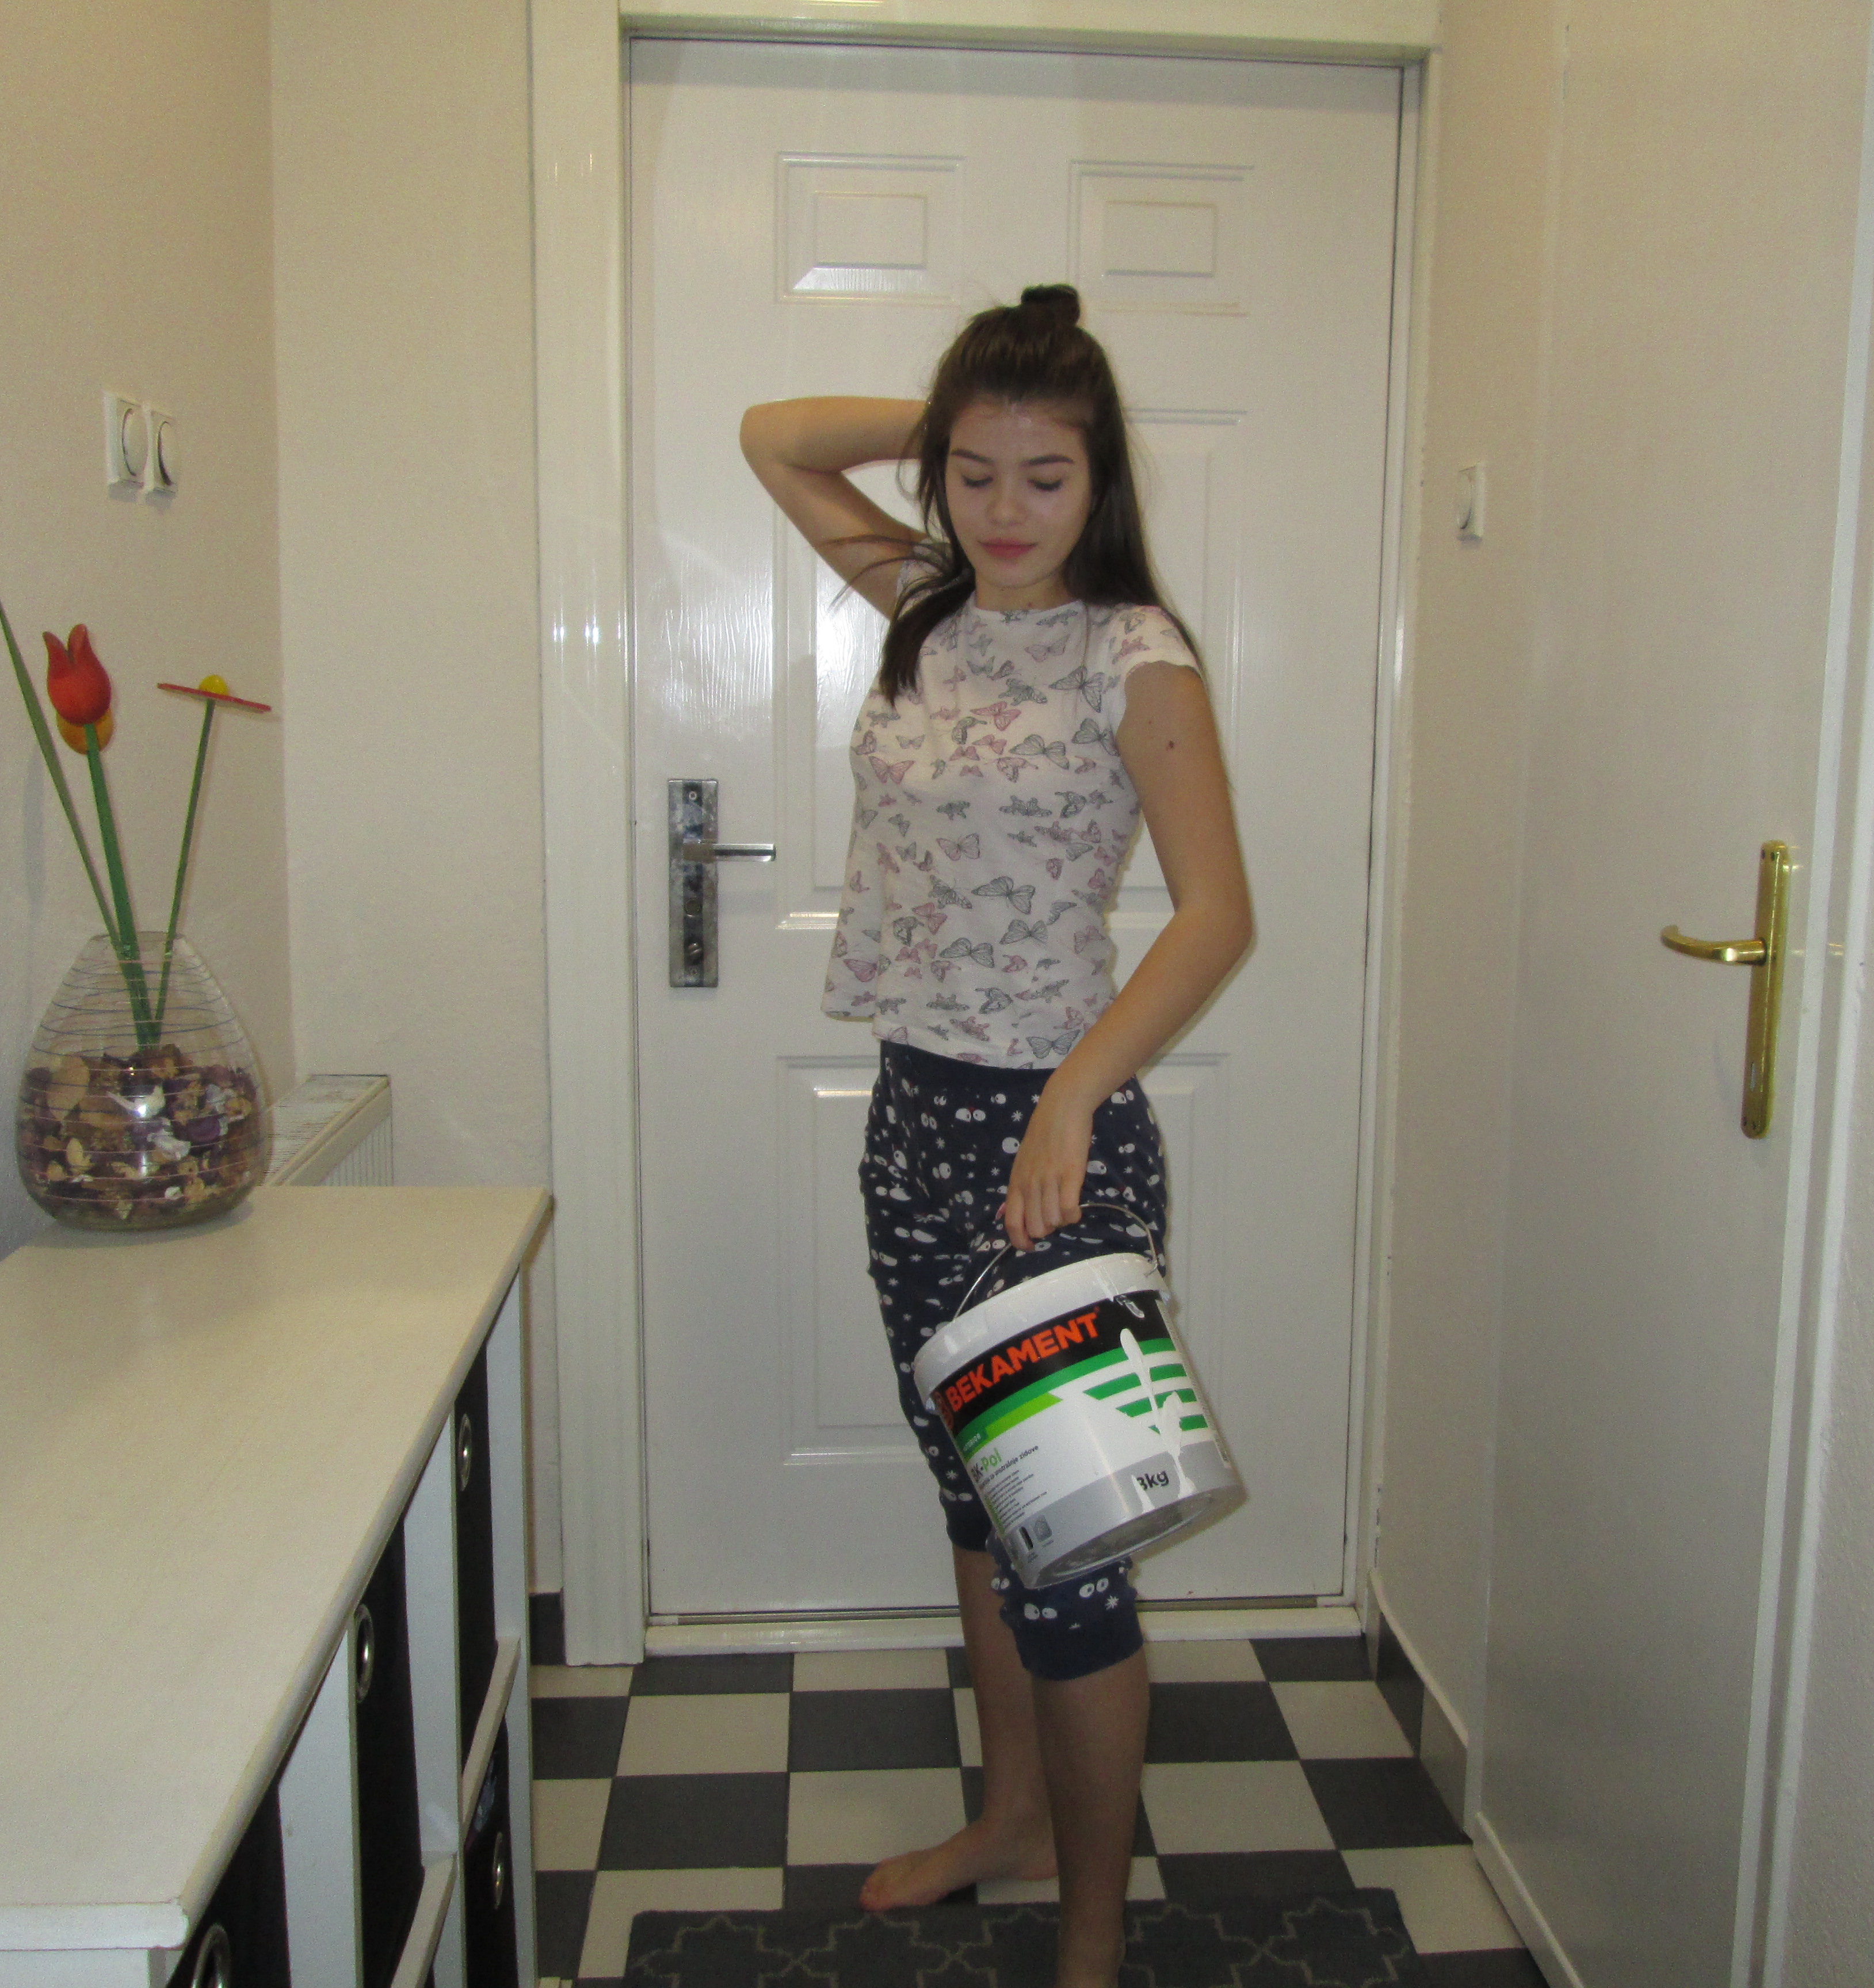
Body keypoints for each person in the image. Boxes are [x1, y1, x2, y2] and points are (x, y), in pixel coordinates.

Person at [739, 285, 1253, 1988]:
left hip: (1058, 1138)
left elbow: (1216, 915)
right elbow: (771, 442)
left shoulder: (1135, 652)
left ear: (1101, 481)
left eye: (1047, 475)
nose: (1006, 511)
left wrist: (1075, 1093)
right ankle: (1013, 1820)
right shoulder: (926, 605)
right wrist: (954, 408)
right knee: (978, 1501)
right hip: (916, 1116)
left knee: (1074, 1560)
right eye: (974, 474)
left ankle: (1093, 1938)